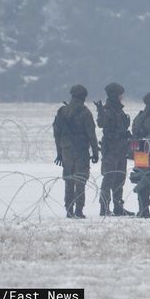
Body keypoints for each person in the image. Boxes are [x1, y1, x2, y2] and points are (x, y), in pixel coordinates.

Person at [53, 84, 99, 219]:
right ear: (84, 97)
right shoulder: (85, 112)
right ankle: (79, 209)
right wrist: (95, 152)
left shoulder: (62, 111)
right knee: (80, 180)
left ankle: (69, 209)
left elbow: (57, 134)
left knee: (69, 180)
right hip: (81, 151)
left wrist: (59, 153)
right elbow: (91, 135)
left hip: (66, 151)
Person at [95, 81, 132, 217]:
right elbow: (101, 123)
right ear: (115, 95)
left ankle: (118, 207)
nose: (122, 97)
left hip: (121, 150)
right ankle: (104, 208)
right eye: (120, 94)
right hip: (111, 150)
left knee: (120, 179)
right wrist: (100, 112)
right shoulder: (108, 110)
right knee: (109, 179)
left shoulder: (119, 110)